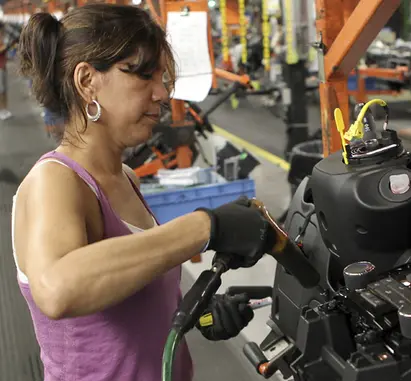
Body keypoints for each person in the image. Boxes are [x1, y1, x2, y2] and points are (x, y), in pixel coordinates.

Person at [14, 5, 270, 381]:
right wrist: (204, 227)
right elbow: (57, 288)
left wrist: (197, 311)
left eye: (162, 77)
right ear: (87, 81)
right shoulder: (55, 181)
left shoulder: (126, 177)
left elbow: (122, 293)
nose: (162, 92)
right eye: (143, 75)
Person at [0, 22, 12, 120]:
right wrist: (5, 47)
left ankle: (5, 109)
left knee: (4, 89)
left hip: (3, 66)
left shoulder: (2, 39)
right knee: (1, 90)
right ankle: (2, 110)